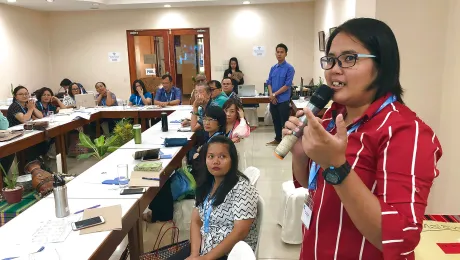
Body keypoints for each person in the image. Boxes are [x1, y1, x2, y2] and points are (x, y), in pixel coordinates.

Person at [283, 18, 442, 260]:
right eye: (331, 59)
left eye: (349, 58)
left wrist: (337, 166)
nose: (334, 69)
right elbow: (313, 186)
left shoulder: (406, 132)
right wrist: (300, 155)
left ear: (382, 65)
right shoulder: (330, 118)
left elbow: (401, 237)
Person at [169, 136, 259, 260]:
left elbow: (240, 232)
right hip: (204, 245)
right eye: (211, 156)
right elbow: (196, 221)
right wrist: (194, 254)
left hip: (229, 253)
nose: (215, 161)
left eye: (222, 156)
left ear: (232, 160)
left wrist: (206, 258)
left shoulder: (242, 188)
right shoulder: (206, 184)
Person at [266, 43, 295, 146]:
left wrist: (274, 94)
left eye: (282, 52)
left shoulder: (289, 68)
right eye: (277, 52)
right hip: (273, 100)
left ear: (286, 54)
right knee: (275, 121)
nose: (279, 54)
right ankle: (277, 139)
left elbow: (287, 85)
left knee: (285, 122)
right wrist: (271, 95)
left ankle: (286, 142)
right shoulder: (273, 68)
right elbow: (268, 82)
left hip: (283, 100)